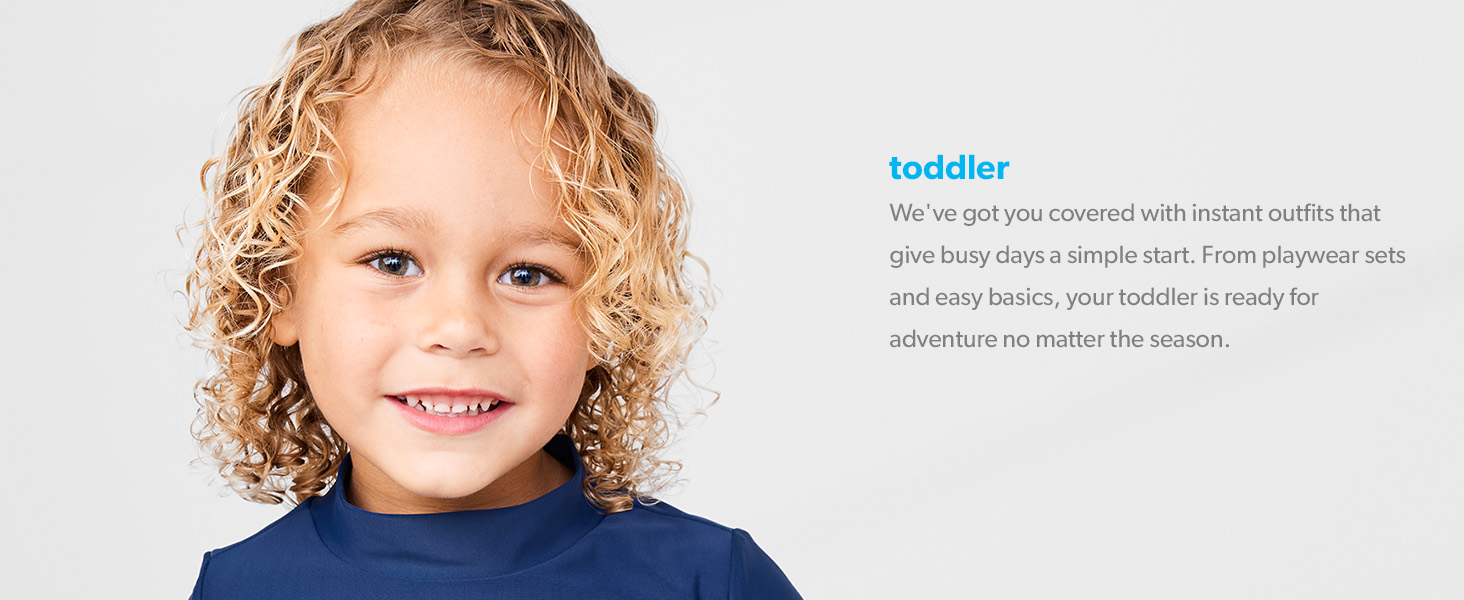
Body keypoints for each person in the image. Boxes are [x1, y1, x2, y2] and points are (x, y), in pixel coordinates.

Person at [183, 1, 801, 597]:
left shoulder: (709, 581)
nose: (458, 327)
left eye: (528, 275)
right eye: (392, 262)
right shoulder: (240, 587)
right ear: (280, 288)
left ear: (611, 308)